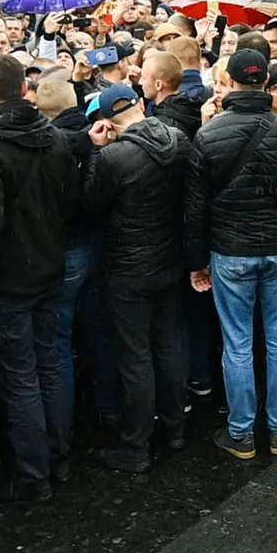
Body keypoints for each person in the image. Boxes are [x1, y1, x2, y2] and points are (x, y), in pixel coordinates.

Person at [0, 55, 77, 501]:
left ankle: (33, 474)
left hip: (8, 280)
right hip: (49, 268)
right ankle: (58, 458)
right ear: (24, 90)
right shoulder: (53, 136)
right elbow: (70, 202)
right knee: (49, 364)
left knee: (21, 376)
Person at [186, 46, 277, 459]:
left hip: (230, 251)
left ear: (232, 82)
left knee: (237, 344)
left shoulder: (208, 135)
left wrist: (196, 262)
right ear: (264, 83)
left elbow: (195, 208)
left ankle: (241, 432)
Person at [76, 84, 193, 468]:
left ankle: (137, 446)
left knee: (135, 357)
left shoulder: (113, 156)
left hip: (128, 268)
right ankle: (175, 431)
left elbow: (92, 205)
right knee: (169, 345)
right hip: (169, 259)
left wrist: (94, 152)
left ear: (107, 122)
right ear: (142, 105)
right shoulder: (178, 139)